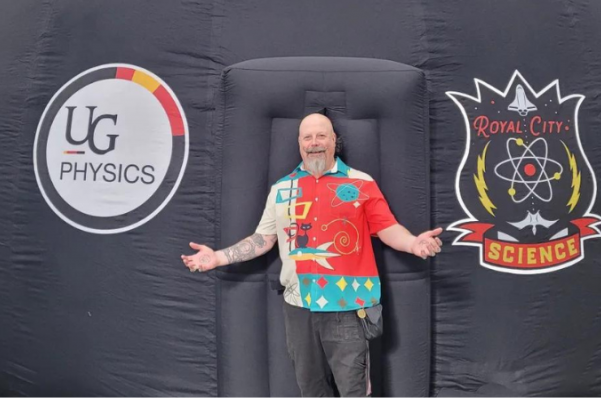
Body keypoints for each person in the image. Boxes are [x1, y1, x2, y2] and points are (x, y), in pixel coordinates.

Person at [181, 113, 442, 397]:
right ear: (299, 143)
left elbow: (387, 228)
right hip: (298, 307)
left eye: (321, 136)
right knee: (310, 390)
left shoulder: (360, 183)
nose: (314, 143)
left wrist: (414, 243)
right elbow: (263, 239)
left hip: (348, 305)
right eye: (307, 137)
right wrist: (218, 258)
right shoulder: (282, 189)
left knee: (354, 391)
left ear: (334, 141)